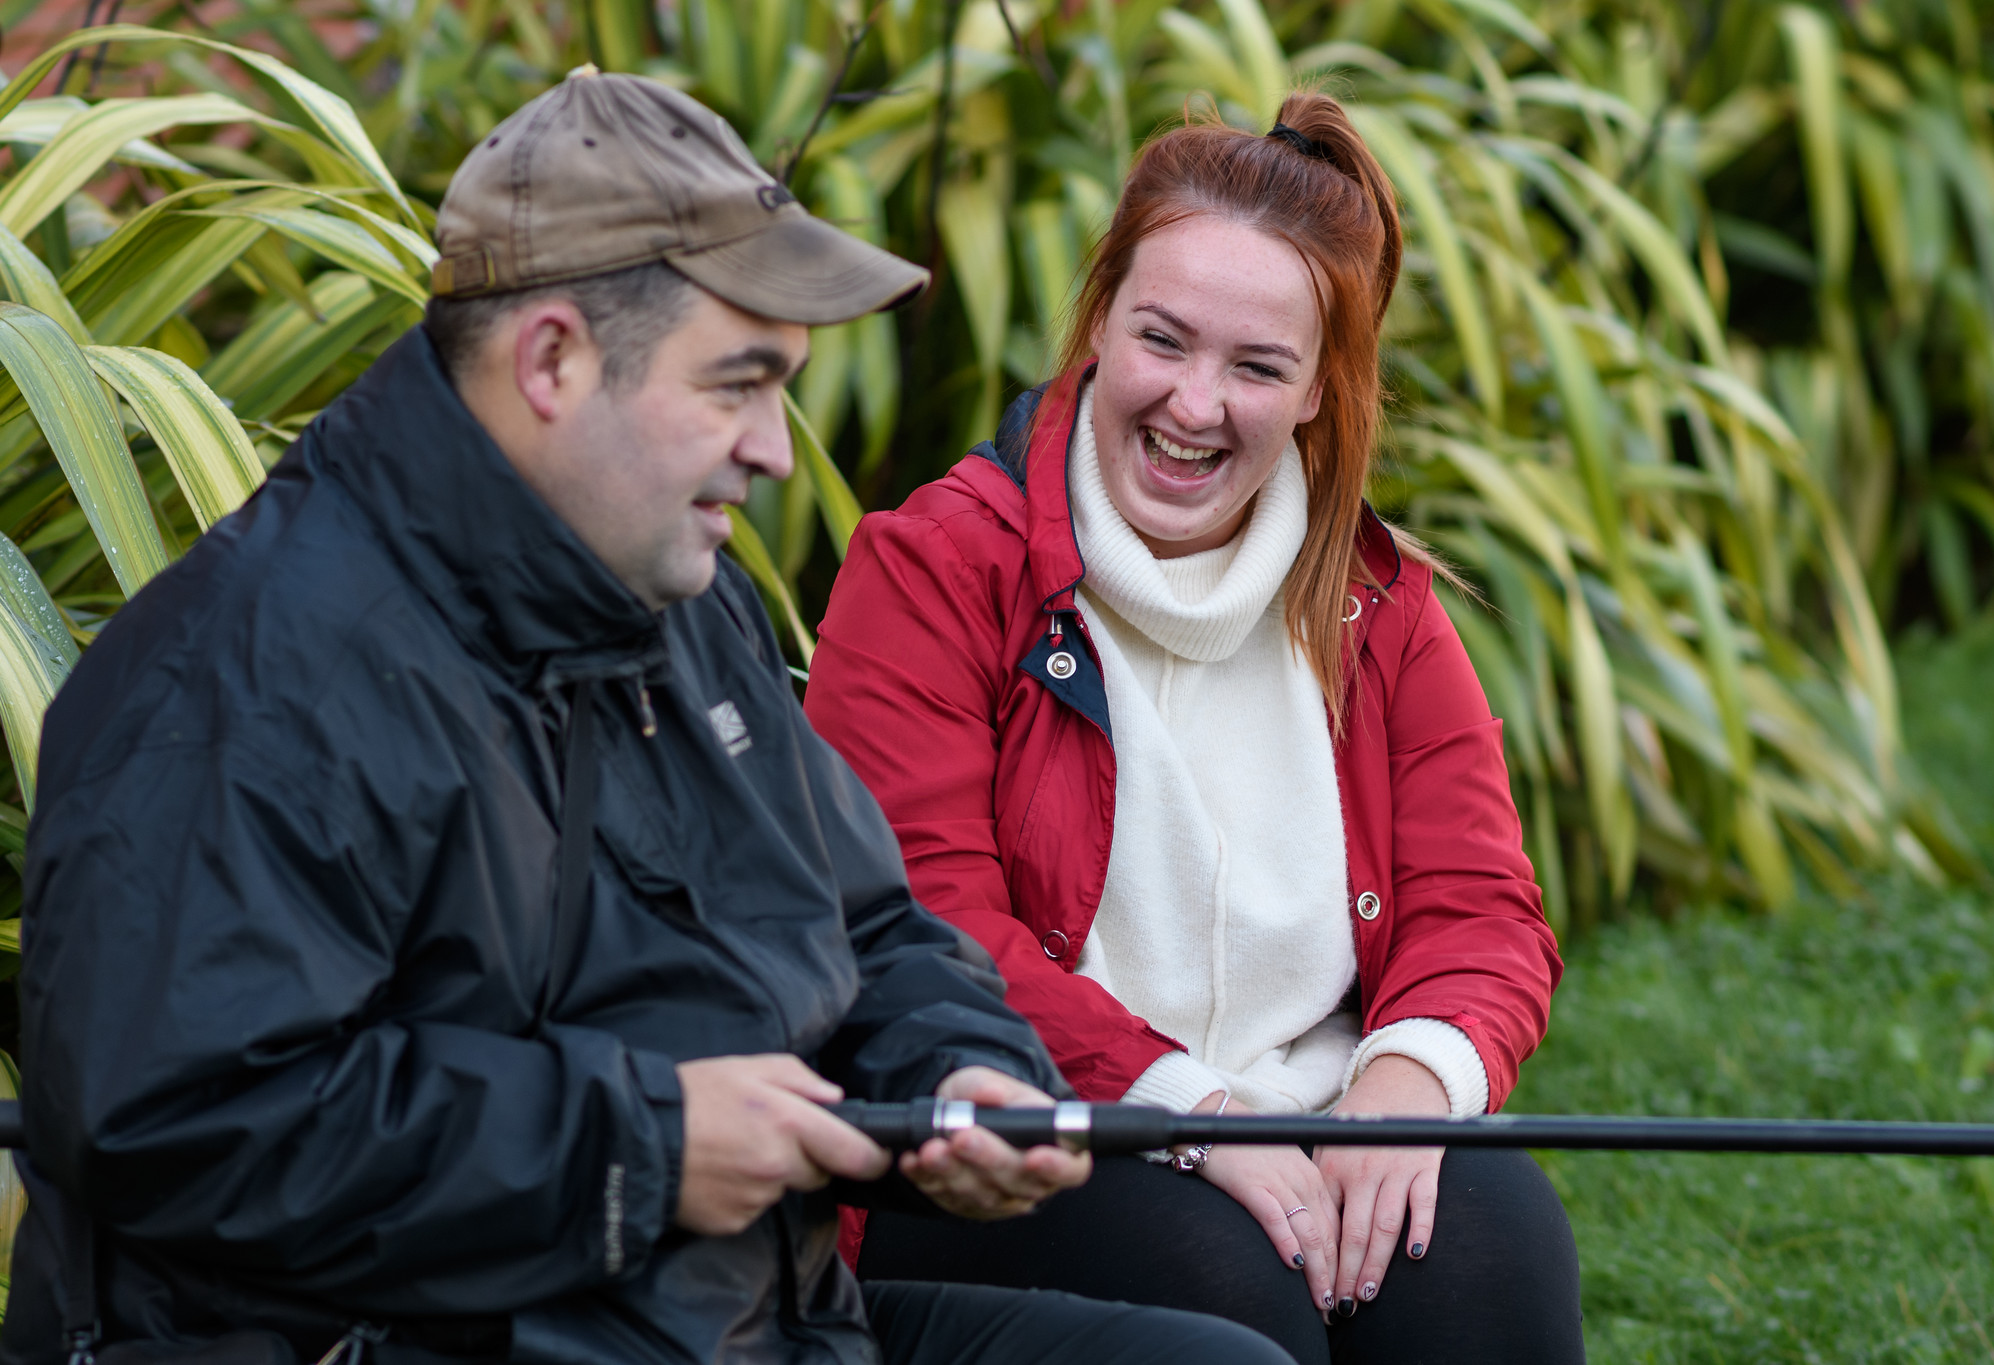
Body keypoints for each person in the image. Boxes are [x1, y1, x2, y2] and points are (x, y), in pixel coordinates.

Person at [0, 73, 1295, 1365]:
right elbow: (171, 1126)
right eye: (737, 384)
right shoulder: (244, 671)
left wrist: (954, 1078)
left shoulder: (681, 597)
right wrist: (641, 1148)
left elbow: (870, 927)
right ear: (553, 358)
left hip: (744, 1325)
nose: (777, 447)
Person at [804, 92, 1582, 1364]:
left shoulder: (1378, 608)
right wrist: (1188, 1110)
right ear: (1097, 323)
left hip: (1314, 1110)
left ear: (1321, 393)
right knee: (1223, 1279)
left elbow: (1481, 910)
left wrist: (1397, 1097)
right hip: (1037, 1131)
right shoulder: (936, 569)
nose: (1193, 404)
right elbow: (918, 922)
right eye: (1161, 339)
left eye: (1258, 367)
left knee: (1484, 1235)